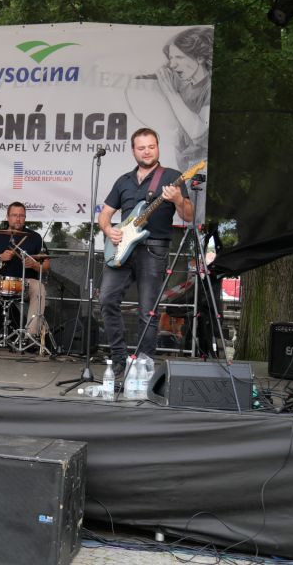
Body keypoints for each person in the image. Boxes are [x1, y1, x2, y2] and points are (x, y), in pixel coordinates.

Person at [98, 128, 194, 373]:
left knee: (147, 311)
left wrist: (177, 200)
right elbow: (105, 215)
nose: (147, 151)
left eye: (151, 146)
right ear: (133, 151)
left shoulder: (172, 176)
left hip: (153, 250)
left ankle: (143, 366)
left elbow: (188, 215)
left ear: (158, 147)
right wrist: (109, 230)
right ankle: (119, 358)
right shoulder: (123, 180)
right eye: (141, 148)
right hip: (121, 249)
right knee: (107, 299)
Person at [0, 202, 50, 336]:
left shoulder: (35, 237)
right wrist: (0, 257)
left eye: (21, 216)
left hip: (25, 283)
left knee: (39, 288)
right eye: (14, 215)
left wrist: (34, 264)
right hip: (0, 282)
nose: (18, 219)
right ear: (7, 217)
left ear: (25, 217)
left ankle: (31, 335)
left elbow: (46, 266)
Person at [155, 27, 213, 170]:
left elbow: (199, 134)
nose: (172, 65)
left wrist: (170, 92)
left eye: (179, 57)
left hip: (200, 168)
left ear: (199, 58)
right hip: (182, 168)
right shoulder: (185, 87)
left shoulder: (209, 87)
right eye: (171, 58)